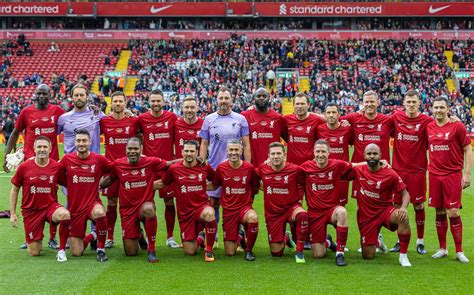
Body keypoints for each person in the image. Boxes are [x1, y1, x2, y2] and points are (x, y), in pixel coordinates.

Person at [4, 84, 65, 250]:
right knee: (29, 200)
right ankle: (29, 237)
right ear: (35, 95)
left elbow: (72, 122)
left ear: (50, 95)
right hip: (30, 164)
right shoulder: (26, 112)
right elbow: (15, 133)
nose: (42, 96)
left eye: (45, 93)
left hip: (52, 164)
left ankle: (53, 238)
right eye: (39, 93)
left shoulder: (58, 111)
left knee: (52, 198)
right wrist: (5, 155)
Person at [100, 137, 176, 263]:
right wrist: (94, 186)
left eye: (135, 148)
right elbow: (109, 180)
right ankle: (139, 234)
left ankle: (151, 250)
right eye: (130, 149)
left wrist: (191, 159)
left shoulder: (150, 162)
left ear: (141, 149)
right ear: (126, 150)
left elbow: (169, 164)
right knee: (131, 252)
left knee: (149, 209)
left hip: (143, 206)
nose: (133, 151)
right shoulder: (118, 164)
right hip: (127, 210)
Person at [199, 86, 251, 246]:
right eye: (221, 98)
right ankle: (212, 238)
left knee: (238, 203)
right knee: (213, 202)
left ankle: (239, 237)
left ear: (231, 100)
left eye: (226, 98)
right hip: (215, 168)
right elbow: (204, 142)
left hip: (236, 170)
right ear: (216, 100)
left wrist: (248, 166)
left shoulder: (240, 119)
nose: (223, 101)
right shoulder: (208, 119)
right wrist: (202, 160)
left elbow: (246, 145)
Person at [300, 139, 365, 266]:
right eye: (318, 151)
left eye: (323, 151)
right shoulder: (305, 167)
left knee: (342, 212)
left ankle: (340, 253)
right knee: (318, 255)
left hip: (331, 210)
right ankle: (328, 242)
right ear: (313, 152)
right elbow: (289, 170)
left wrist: (378, 162)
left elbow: (355, 165)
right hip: (314, 213)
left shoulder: (336, 164)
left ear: (329, 153)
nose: (320, 154)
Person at [350, 144, 412, 267]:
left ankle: (403, 256)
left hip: (385, 211)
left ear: (380, 156)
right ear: (364, 156)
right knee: (368, 256)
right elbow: (340, 167)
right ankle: (378, 241)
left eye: (375, 154)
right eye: (369, 154)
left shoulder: (390, 173)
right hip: (367, 216)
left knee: (402, 217)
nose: (372, 156)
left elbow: (405, 193)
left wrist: (403, 208)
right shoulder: (358, 170)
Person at [427, 96, 472, 263]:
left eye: (441, 107)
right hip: (434, 175)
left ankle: (459, 251)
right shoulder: (429, 126)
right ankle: (442, 248)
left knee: (453, 211)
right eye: (436, 107)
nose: (438, 110)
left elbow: (468, 149)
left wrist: (467, 174)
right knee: (439, 211)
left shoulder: (457, 126)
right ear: (432, 109)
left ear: (448, 109)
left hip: (452, 175)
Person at [9, 136, 71, 258]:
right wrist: (13, 213)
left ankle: (61, 250)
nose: (42, 149)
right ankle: (36, 238)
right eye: (39, 147)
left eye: (45, 147)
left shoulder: (57, 167)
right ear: (34, 149)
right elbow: (15, 189)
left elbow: (69, 184)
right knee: (34, 252)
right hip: (31, 211)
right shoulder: (24, 167)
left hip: (50, 207)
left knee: (65, 215)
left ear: (50, 149)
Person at [389, 90, 434, 254]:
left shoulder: (427, 121)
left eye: (414, 102)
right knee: (396, 206)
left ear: (419, 103)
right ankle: (399, 241)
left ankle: (420, 241)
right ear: (404, 103)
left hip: (418, 171)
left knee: (419, 205)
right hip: (398, 170)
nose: (411, 105)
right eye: (408, 102)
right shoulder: (396, 117)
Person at [159, 140, 217, 262]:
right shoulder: (174, 169)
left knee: (210, 213)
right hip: (185, 214)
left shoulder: (204, 167)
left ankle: (209, 250)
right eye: (186, 151)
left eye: (192, 151)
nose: (189, 154)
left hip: (201, 207)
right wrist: (140, 185)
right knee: (190, 251)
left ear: (197, 152)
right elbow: (162, 183)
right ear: (182, 152)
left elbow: (216, 182)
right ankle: (201, 237)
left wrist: (204, 186)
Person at [58, 130, 111, 263]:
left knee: (100, 212)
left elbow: (115, 170)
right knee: (76, 252)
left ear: (90, 142)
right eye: (79, 141)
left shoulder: (98, 159)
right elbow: (55, 173)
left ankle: (101, 249)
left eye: (84, 141)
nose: (81, 143)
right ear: (74, 142)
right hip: (75, 208)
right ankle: (92, 235)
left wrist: (103, 184)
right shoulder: (67, 159)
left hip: (92, 204)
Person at [138, 89, 180, 249]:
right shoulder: (142, 119)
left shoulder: (171, 117)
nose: (156, 104)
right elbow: (134, 134)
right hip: (149, 168)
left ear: (163, 102)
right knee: (146, 202)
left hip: (167, 166)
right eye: (153, 101)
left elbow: (178, 139)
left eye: (158, 101)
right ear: (149, 102)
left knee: (169, 202)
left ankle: (170, 237)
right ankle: (147, 236)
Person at [256, 142, 309, 263]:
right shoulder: (262, 169)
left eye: (279, 153)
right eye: (273, 154)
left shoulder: (295, 169)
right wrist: (262, 187)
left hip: (291, 208)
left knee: (302, 215)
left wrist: (300, 199)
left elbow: (302, 183)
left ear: (284, 155)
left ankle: (299, 252)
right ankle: (286, 238)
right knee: (276, 253)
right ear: (268, 156)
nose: (276, 156)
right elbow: (252, 180)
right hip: (273, 213)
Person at [100, 91, 140, 249]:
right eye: (115, 101)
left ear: (125, 103)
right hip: (111, 169)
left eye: (120, 102)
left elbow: (140, 137)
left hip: (130, 169)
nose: (117, 104)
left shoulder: (133, 120)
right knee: (111, 202)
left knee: (131, 203)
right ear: (111, 104)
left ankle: (136, 233)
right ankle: (109, 236)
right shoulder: (104, 121)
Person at [213, 140, 260, 261]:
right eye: (231, 150)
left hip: (244, 208)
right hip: (228, 211)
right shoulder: (221, 168)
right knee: (230, 253)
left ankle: (249, 251)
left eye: (236, 150)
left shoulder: (249, 168)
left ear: (241, 151)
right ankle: (240, 236)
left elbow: (255, 186)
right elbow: (215, 185)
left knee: (253, 218)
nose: (234, 153)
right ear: (227, 151)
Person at [316, 103, 353, 206]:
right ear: (325, 114)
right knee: (322, 206)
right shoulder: (319, 129)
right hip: (324, 174)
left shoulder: (347, 129)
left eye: (334, 112)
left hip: (342, 174)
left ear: (339, 114)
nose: (331, 115)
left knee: (341, 208)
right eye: (328, 112)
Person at [242, 87, 287, 167]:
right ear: (254, 98)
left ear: (269, 98)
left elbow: (289, 139)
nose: (261, 98)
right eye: (258, 96)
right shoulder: (245, 116)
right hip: (253, 166)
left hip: (273, 166)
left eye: (264, 96)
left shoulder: (278, 118)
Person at [284, 92, 325, 166]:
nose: (299, 106)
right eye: (297, 104)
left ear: (308, 105)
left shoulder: (316, 120)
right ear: (293, 105)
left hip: (311, 166)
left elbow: (332, 120)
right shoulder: (286, 119)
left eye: (302, 104)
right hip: (292, 166)